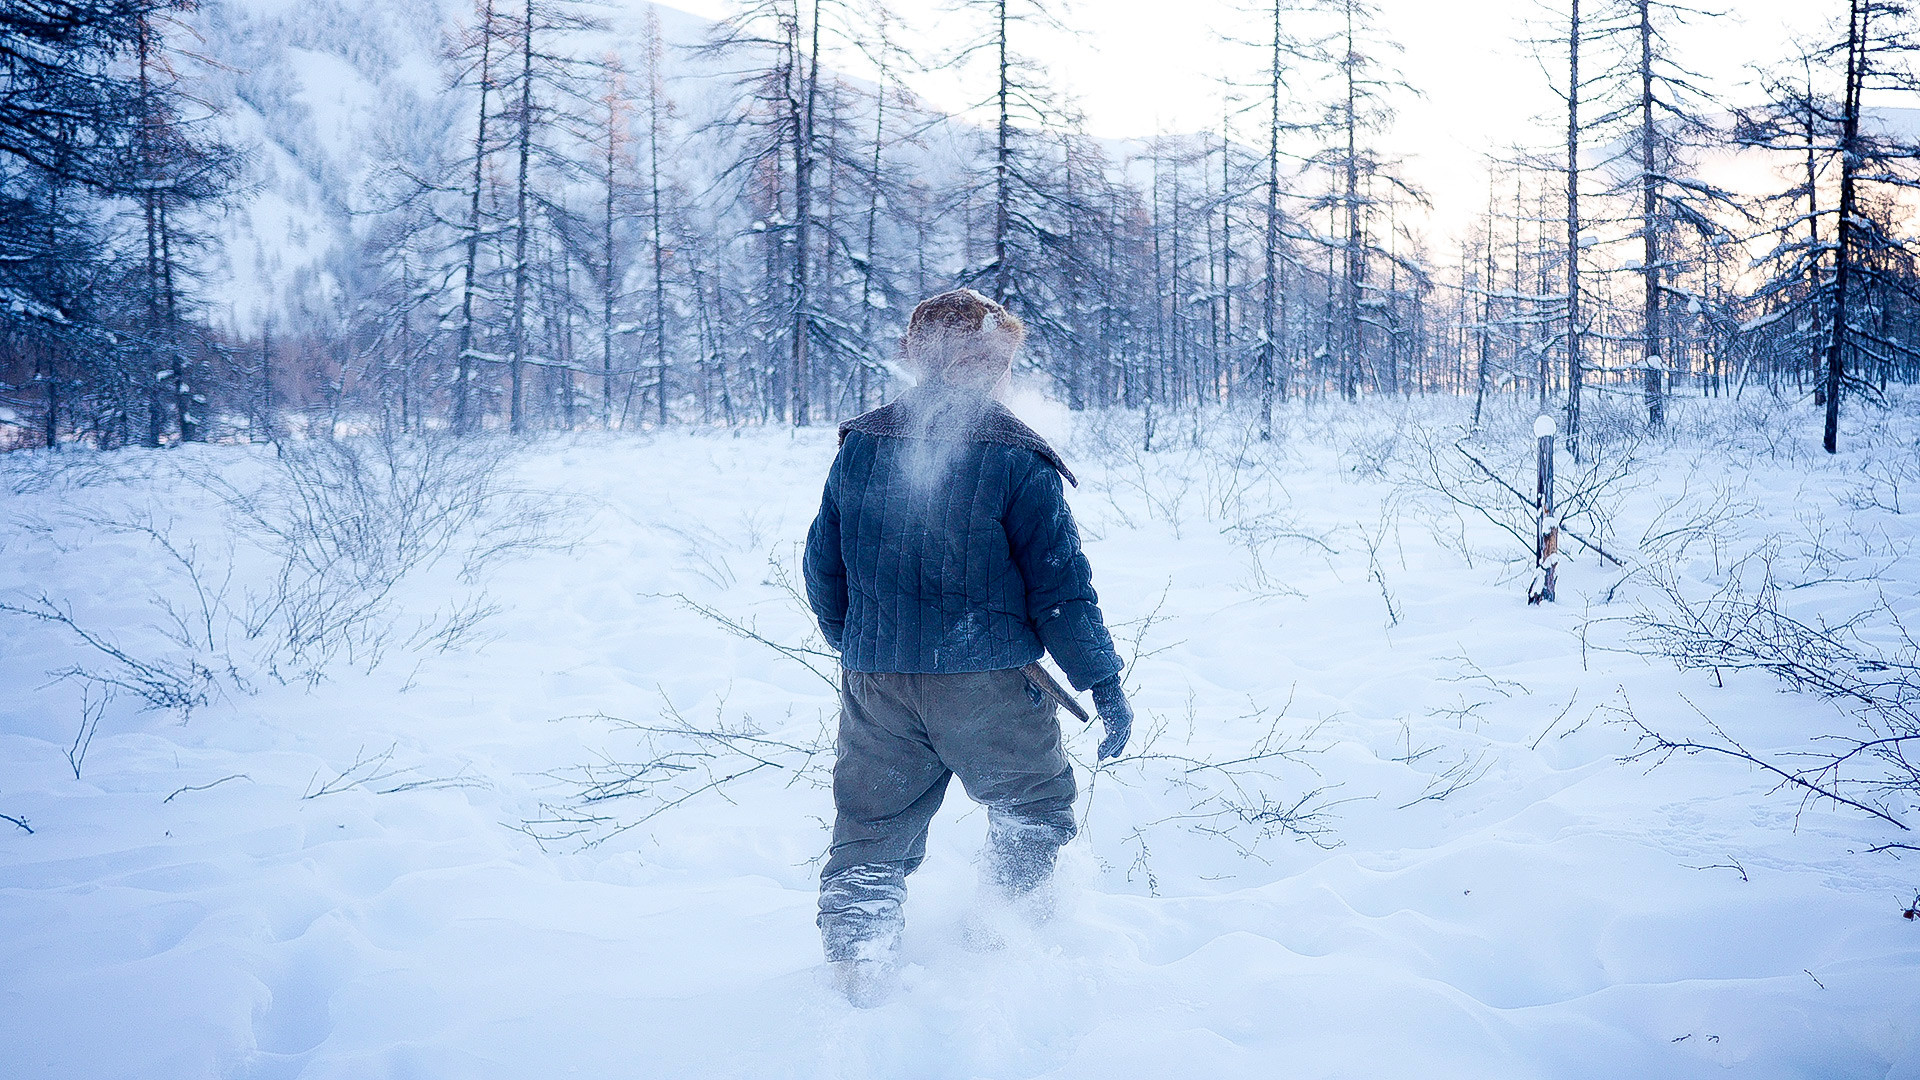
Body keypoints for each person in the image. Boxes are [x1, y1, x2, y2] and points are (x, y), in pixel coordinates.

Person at [802, 288, 1133, 1007]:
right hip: (985, 682)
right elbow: (1060, 589)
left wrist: (862, 646)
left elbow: (822, 566)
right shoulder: (1015, 455)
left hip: (876, 682)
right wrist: (1102, 682)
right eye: (1001, 356)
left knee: (872, 829)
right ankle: (1003, 939)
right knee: (1034, 807)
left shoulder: (863, 443)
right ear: (985, 362)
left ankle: (857, 964)